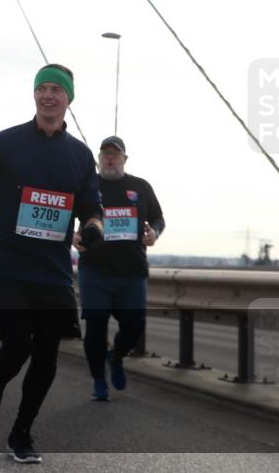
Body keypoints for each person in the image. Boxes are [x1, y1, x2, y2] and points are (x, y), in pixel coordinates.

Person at [0, 64, 103, 464]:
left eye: (57, 90)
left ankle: (22, 432)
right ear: (35, 95)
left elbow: (92, 209)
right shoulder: (5, 142)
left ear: (68, 100)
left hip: (53, 268)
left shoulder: (80, 155)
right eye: (43, 89)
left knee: (47, 353)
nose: (49, 96)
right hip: (8, 261)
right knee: (19, 343)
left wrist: (92, 230)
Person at [76, 136, 164, 401]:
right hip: (95, 270)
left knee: (134, 327)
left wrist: (154, 234)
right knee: (95, 329)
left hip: (132, 271)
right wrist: (73, 236)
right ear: (99, 159)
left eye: (115, 154)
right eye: (105, 154)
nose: (110, 158)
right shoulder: (87, 185)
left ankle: (115, 356)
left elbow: (158, 218)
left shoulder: (140, 187)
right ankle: (99, 381)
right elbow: (67, 212)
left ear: (124, 158)